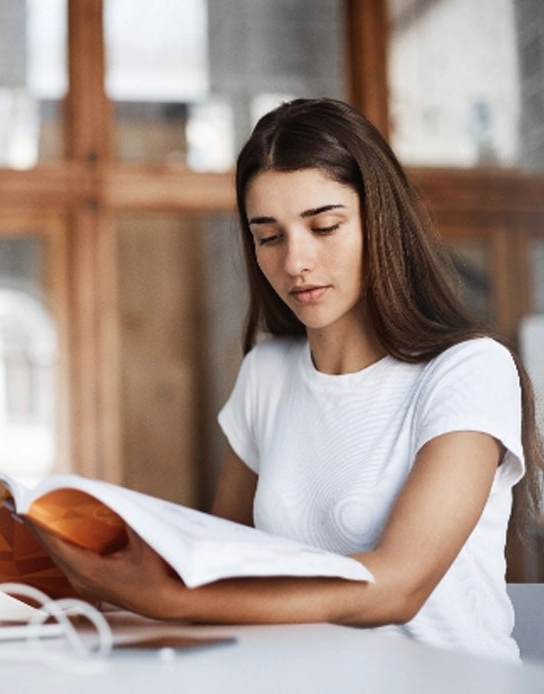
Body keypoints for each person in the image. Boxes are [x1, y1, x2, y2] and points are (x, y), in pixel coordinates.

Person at [28, 98, 544, 662]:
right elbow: (218, 561)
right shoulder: (266, 373)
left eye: (324, 226)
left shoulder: (468, 369)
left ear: (382, 223)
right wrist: (114, 584)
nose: (296, 261)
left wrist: (169, 599)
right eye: (269, 237)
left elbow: (398, 588)